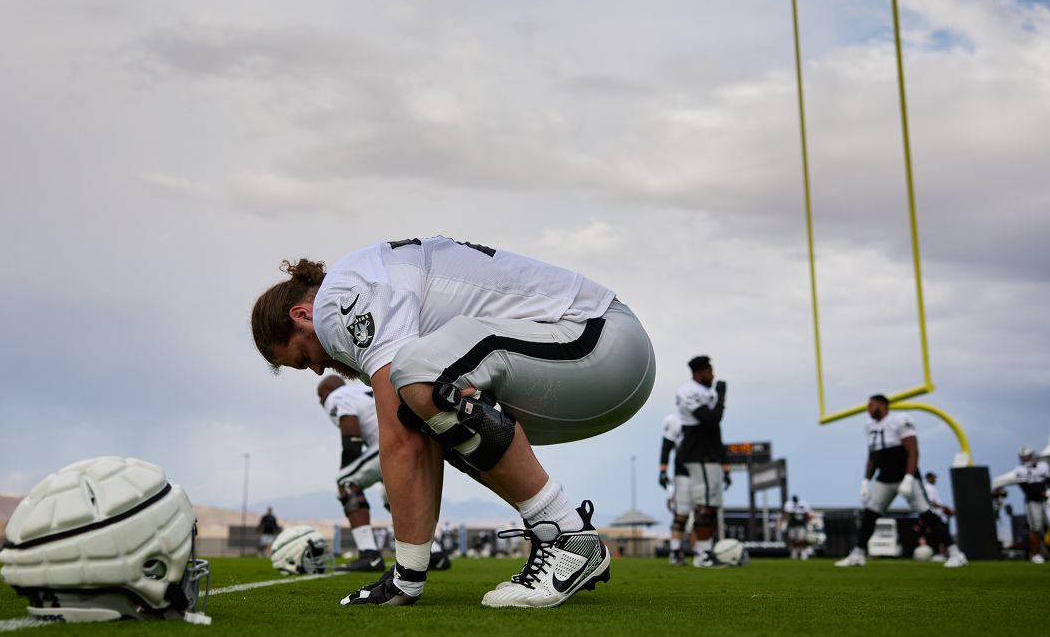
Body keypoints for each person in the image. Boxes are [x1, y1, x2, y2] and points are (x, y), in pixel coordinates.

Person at [251, 236, 655, 607]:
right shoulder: (364, 278)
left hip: (600, 341)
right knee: (427, 407)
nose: (319, 370)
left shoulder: (339, 300)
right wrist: (406, 576)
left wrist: (405, 579)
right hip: (595, 362)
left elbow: (399, 439)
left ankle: (570, 536)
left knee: (417, 373)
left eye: (304, 358)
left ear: (303, 314)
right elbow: (413, 428)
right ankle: (558, 532)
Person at [317, 375, 450, 572]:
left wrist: (346, 470)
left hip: (393, 444)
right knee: (388, 494)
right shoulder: (359, 392)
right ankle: (434, 552)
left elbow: (351, 438)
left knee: (345, 481)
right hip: (417, 441)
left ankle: (368, 554)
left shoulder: (336, 396)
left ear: (325, 395)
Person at [835, 395, 967, 568]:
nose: (868, 409)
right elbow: (873, 456)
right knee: (869, 515)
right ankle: (858, 554)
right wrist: (866, 481)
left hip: (905, 475)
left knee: (927, 515)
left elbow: (912, 450)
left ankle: (956, 553)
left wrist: (909, 477)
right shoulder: (869, 426)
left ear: (882, 405)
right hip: (885, 478)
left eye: (871, 405)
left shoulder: (899, 420)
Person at [675, 356, 732, 568]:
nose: (713, 375)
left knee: (712, 504)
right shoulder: (688, 390)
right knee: (705, 505)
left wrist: (723, 458)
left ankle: (706, 550)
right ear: (699, 372)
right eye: (710, 371)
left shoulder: (707, 391)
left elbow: (716, 427)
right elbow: (710, 419)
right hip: (698, 453)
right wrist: (722, 398)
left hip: (710, 453)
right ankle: (702, 554)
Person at [992, 447, 1050, 563]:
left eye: (1027, 457)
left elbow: (1049, 481)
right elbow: (1026, 488)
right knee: (1035, 529)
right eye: (1023, 457)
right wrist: (1040, 491)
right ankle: (1036, 554)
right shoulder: (1020, 470)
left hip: (1045, 501)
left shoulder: (1043, 466)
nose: (1026, 459)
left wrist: (1048, 490)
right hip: (1033, 502)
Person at [657, 412, 690, 566]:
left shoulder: (708, 420)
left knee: (702, 516)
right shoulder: (675, 422)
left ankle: (702, 552)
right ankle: (676, 551)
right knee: (681, 515)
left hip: (701, 472)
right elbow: (666, 447)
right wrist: (663, 471)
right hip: (683, 474)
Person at [921, 471, 955, 561]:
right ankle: (939, 554)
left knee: (941, 535)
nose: (935, 479)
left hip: (939, 514)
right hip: (933, 515)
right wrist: (944, 508)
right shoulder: (927, 488)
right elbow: (931, 502)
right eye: (933, 477)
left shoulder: (933, 488)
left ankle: (942, 554)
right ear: (928, 478)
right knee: (938, 535)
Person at [780, 494, 812, 559]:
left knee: (802, 539)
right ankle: (794, 552)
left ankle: (803, 552)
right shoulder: (789, 504)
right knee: (793, 539)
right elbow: (786, 514)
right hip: (792, 524)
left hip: (801, 525)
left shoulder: (803, 504)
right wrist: (783, 522)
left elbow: (808, 514)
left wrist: (808, 522)